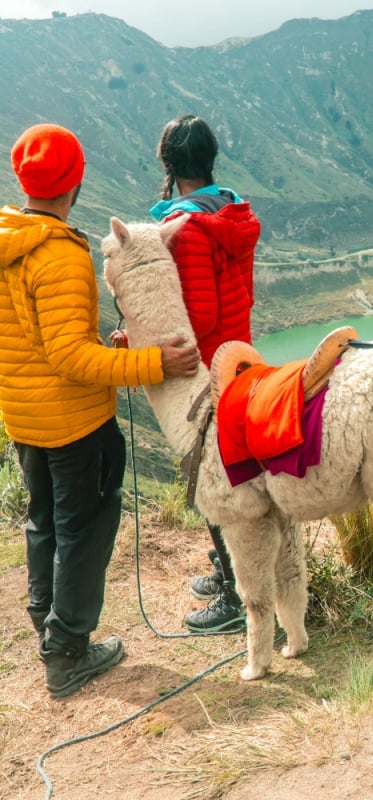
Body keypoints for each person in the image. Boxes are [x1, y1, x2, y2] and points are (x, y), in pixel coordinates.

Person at [0, 123, 201, 699]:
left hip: (26, 416)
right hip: (73, 423)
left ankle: (49, 623)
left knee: (45, 524)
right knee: (85, 530)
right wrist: (152, 364)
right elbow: (66, 357)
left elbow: (37, 340)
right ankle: (67, 652)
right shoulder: (58, 253)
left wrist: (102, 344)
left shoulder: (10, 236)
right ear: (76, 183)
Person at [150, 113, 261, 633]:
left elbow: (201, 317)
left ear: (170, 165)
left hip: (208, 374)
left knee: (208, 480)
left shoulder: (191, 228)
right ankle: (227, 569)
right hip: (238, 356)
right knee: (228, 476)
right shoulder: (231, 211)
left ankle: (237, 602)